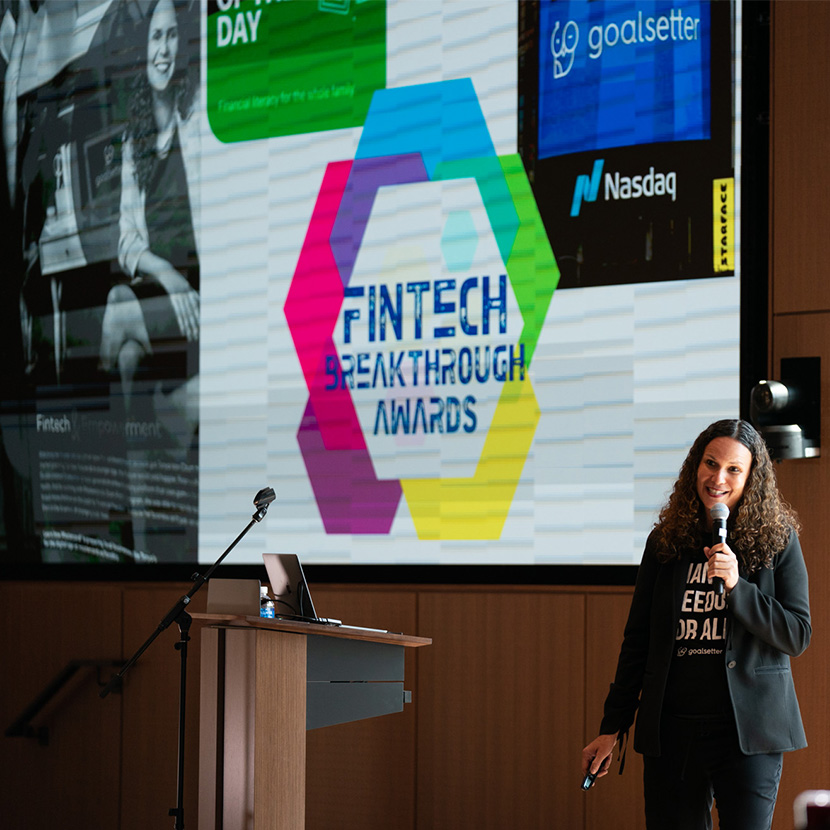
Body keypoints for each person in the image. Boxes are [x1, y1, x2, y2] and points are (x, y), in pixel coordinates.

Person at [582, 418, 811, 830]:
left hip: (748, 736)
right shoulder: (666, 541)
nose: (718, 478)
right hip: (673, 734)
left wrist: (738, 586)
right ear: (695, 466)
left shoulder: (778, 541)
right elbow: (638, 642)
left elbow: (796, 634)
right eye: (710, 463)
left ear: (751, 479)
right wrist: (611, 727)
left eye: (733, 469)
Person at [99, 0, 199, 413]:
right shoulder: (132, 143)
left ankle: (97, 442)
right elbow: (128, 240)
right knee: (127, 359)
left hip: (198, 292)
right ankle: (134, 476)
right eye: (156, 37)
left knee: (118, 308)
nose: (164, 49)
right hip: (166, 286)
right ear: (142, 51)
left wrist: (181, 282)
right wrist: (166, 274)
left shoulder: (197, 117)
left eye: (172, 35)